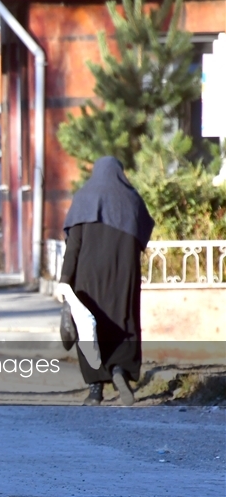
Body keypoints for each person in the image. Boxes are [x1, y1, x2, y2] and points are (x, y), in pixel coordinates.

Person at [60, 156, 154, 406]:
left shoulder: (84, 198)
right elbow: (142, 238)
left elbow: (74, 247)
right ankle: (119, 371)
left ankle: (95, 390)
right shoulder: (131, 199)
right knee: (124, 322)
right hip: (124, 277)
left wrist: (65, 281)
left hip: (88, 278)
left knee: (89, 328)